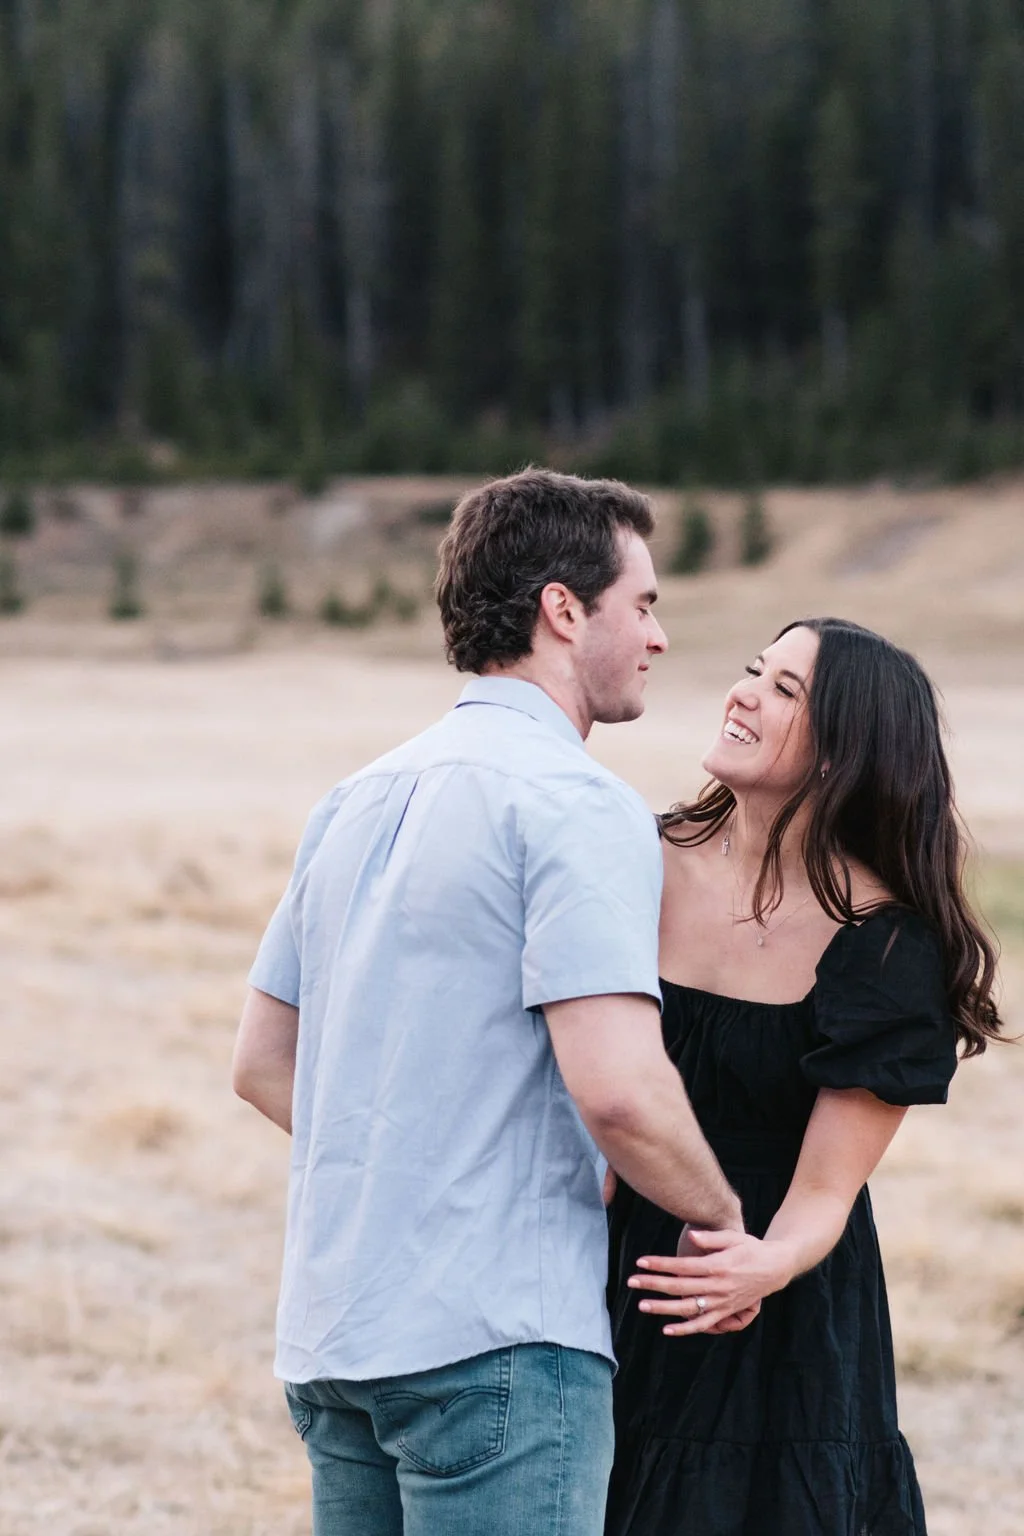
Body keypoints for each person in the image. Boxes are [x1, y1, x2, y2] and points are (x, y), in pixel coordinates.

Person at [232, 468, 741, 1536]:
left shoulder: (356, 797)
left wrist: (420, 1163)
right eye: (641, 604)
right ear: (564, 608)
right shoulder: (574, 800)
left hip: (335, 1335)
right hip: (496, 1343)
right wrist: (720, 1217)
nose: (656, 636)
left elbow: (262, 1063)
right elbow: (619, 1093)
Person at [605, 617, 1004, 1536]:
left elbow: (827, 1190)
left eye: (786, 690)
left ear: (844, 752)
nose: (743, 692)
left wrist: (761, 1267)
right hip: (594, 1260)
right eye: (755, 671)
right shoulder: (633, 855)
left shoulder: (885, 942)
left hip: (768, 1306)